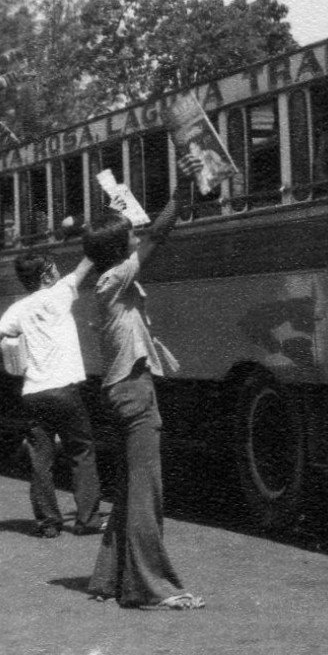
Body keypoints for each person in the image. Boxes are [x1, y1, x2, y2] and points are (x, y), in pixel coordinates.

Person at [82, 152, 206, 610]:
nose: (135, 237)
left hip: (121, 391)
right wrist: (181, 191)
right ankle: (152, 587)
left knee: (131, 486)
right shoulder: (117, 276)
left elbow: (141, 233)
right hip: (133, 391)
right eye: (127, 238)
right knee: (146, 491)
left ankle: (110, 578)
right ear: (119, 250)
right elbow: (157, 234)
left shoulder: (104, 278)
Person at [0, 251, 104, 538]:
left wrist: (11, 354)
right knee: (81, 451)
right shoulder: (60, 293)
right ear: (46, 274)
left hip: (33, 393)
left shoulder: (19, 308)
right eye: (53, 268)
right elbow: (88, 262)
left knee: (41, 459)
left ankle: (49, 523)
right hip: (65, 390)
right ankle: (87, 520)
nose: (57, 271)